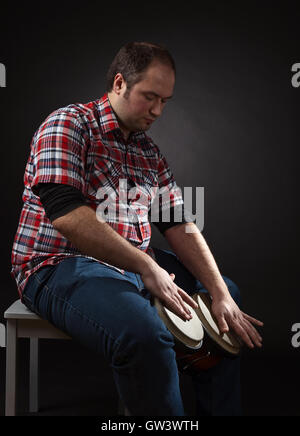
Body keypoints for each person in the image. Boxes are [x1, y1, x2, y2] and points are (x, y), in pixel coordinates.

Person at [11, 41, 263, 416]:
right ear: (118, 84)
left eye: (166, 101)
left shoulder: (149, 153)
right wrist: (148, 268)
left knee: (226, 295)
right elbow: (68, 216)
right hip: (57, 264)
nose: (158, 110)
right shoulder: (67, 124)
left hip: (130, 262)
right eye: (150, 97)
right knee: (144, 334)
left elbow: (178, 223)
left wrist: (217, 292)